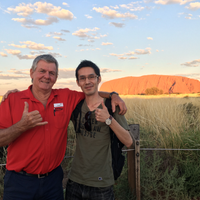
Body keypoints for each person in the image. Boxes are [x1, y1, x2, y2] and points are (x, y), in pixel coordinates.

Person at [0, 54, 127, 200]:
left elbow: (90, 92)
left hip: (52, 182)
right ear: (31, 73)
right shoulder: (12, 100)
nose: (47, 76)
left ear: (56, 77)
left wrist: (114, 95)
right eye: (42, 71)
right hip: (19, 183)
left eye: (52, 73)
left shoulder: (65, 97)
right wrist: (20, 126)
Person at [65, 60, 133, 200]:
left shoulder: (112, 107)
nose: (87, 81)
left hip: (102, 183)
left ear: (99, 78)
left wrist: (109, 120)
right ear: (78, 82)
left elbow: (129, 141)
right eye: (82, 78)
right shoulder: (75, 107)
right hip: (75, 181)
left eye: (91, 77)